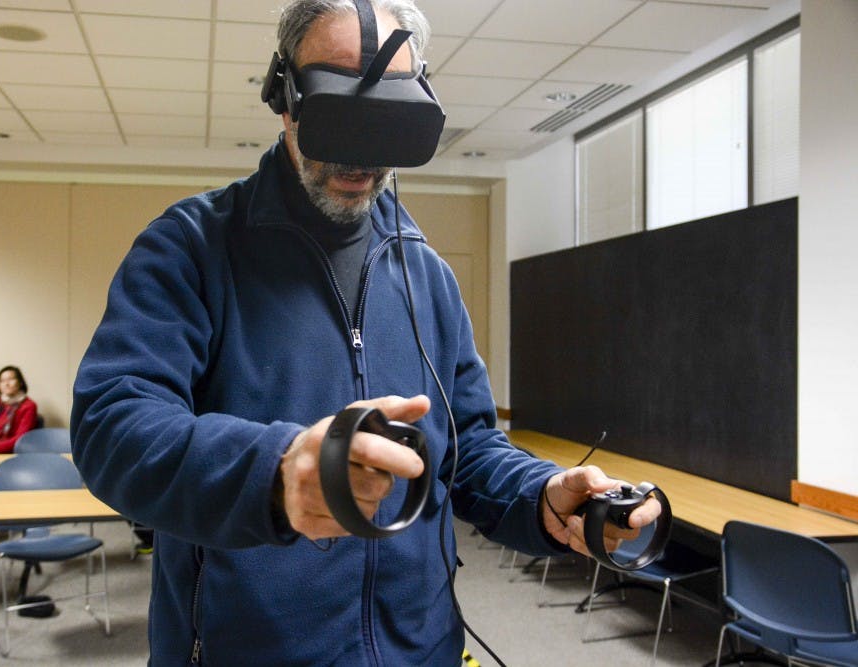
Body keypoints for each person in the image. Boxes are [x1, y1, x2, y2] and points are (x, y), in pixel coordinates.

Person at [71, 1, 662, 664]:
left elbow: (468, 449)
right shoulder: (191, 248)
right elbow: (111, 425)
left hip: (421, 649)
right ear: (284, 97)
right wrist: (275, 473)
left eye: (382, 118)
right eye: (336, 115)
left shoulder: (426, 276)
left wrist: (543, 494)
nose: (357, 157)